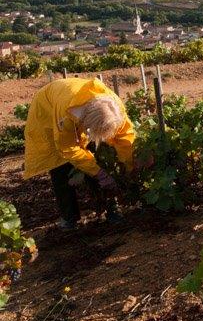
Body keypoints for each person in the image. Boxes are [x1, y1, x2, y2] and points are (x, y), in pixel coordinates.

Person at [24, 78, 135, 230]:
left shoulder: (114, 109)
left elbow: (125, 138)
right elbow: (67, 148)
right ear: (86, 122)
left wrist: (128, 167)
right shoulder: (66, 113)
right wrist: (99, 173)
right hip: (48, 110)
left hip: (78, 104)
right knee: (60, 166)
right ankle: (69, 217)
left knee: (99, 156)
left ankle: (111, 208)